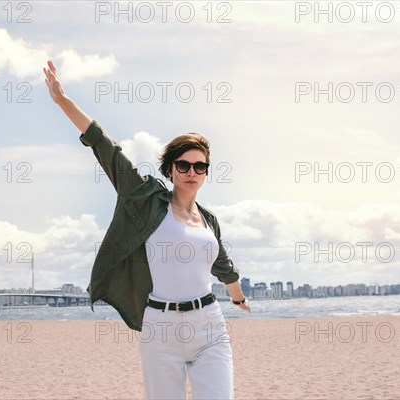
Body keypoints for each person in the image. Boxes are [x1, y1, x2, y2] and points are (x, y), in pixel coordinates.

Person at [43, 60, 251, 400]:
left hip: (210, 325)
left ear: (207, 171)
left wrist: (238, 297)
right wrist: (63, 100)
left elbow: (223, 265)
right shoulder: (146, 199)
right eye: (183, 164)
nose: (191, 171)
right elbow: (106, 148)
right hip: (161, 328)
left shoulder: (208, 219)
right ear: (170, 169)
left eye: (200, 166)